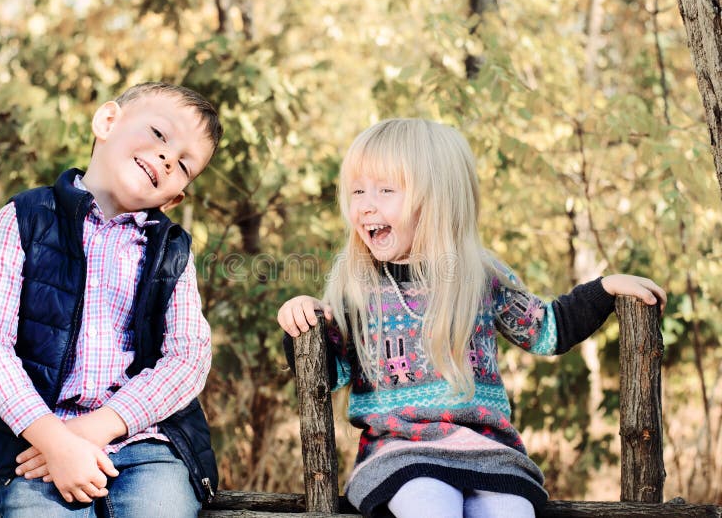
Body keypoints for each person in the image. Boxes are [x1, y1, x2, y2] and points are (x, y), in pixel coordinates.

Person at [277, 118, 666, 518]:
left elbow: (546, 330)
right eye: (357, 190)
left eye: (385, 190)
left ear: (436, 200)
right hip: (399, 450)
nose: (366, 204)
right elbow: (330, 371)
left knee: (512, 510)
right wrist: (302, 321)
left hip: (485, 447)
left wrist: (603, 289)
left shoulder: (478, 277)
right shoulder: (356, 286)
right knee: (429, 503)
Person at [0, 82, 223, 518]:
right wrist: (55, 441)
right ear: (107, 121)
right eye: (159, 134)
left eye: (184, 164)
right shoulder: (24, 218)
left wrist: (92, 429)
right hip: (36, 442)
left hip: (143, 439)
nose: (168, 157)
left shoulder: (171, 249)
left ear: (175, 196)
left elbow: (187, 359)